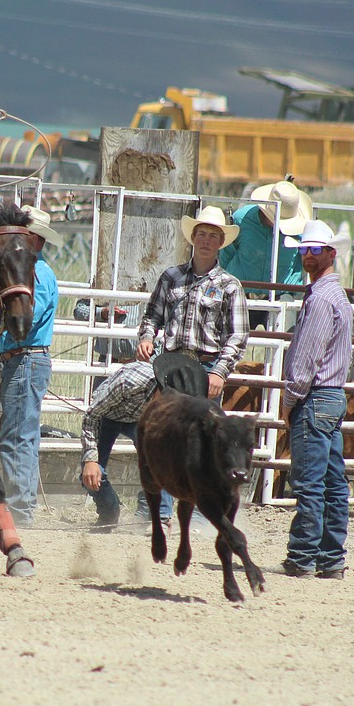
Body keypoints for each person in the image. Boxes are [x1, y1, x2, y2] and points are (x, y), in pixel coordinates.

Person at [133, 204, 250, 525]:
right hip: (170, 368)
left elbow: (238, 335)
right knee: (161, 437)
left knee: (208, 442)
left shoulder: (229, 286)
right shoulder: (170, 277)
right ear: (193, 238)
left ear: (220, 242)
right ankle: (155, 508)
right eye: (202, 234)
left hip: (205, 369)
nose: (207, 240)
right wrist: (146, 338)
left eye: (213, 235)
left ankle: (203, 513)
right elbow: (152, 316)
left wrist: (220, 371)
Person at [279, 219, 354, 580]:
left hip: (314, 396)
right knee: (333, 480)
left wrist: (290, 399)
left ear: (329, 253)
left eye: (314, 250)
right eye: (304, 249)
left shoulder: (320, 299)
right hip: (333, 395)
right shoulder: (336, 295)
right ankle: (331, 558)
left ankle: (303, 555)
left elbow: (306, 358)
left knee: (309, 481)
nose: (308, 255)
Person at [79, 354, 209, 532]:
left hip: (141, 421)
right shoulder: (130, 382)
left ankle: (162, 518)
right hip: (106, 417)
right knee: (91, 473)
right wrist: (90, 460)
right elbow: (93, 415)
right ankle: (109, 512)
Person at [0, 206, 61, 527]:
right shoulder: (39, 273)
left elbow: (26, 322)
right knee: (24, 434)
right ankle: (23, 506)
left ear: (32, 239)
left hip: (24, 357)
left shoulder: (39, 276)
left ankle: (20, 509)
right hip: (27, 359)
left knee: (16, 435)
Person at [219, 179, 312, 330]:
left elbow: (301, 263)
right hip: (241, 290)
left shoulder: (300, 230)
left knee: (285, 338)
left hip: (281, 294)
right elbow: (226, 253)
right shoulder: (241, 220)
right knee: (226, 338)